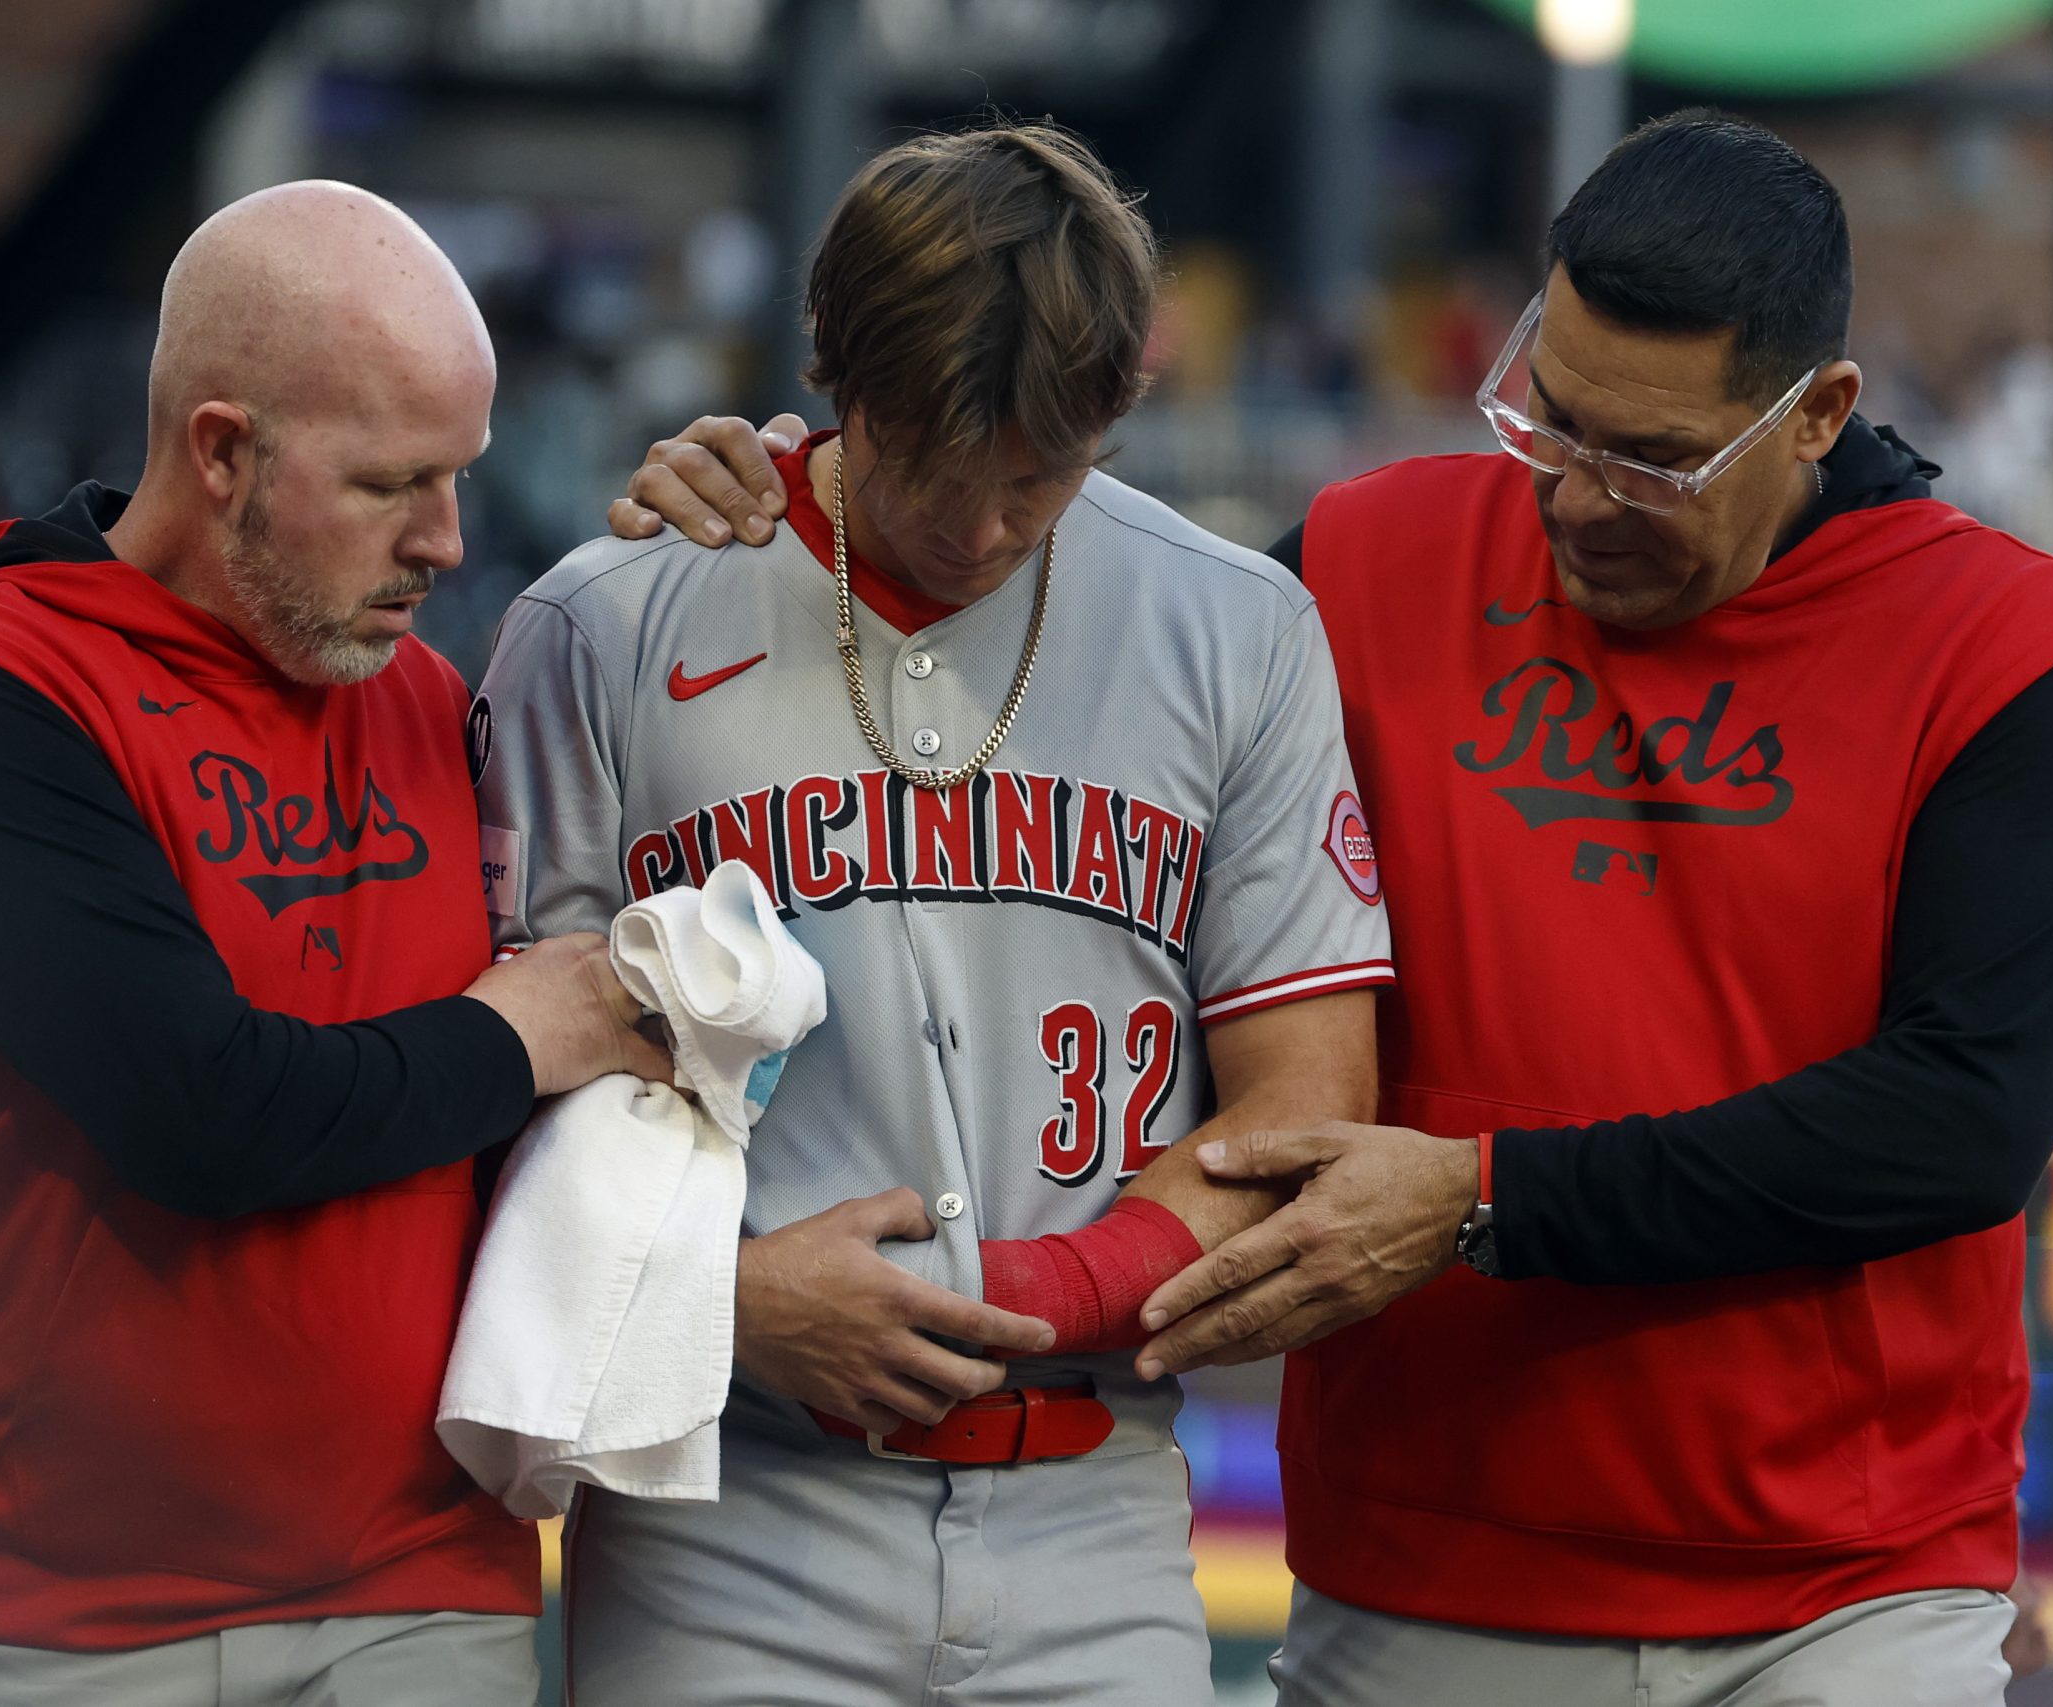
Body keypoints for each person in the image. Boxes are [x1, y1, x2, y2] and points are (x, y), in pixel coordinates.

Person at [614, 112, 2053, 1706]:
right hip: (1417, 1575)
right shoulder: (1356, 555)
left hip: (1844, 1594)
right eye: (1554, 420)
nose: (1579, 498)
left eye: (1656, 461)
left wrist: (1489, 1195)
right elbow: (996, 668)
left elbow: (1963, 1124)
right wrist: (797, 499)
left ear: (1819, 414)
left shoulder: (2003, 648)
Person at [474, 124, 1392, 1707]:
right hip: (727, 1509)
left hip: (1100, 1510)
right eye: (928, 464)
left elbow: (1308, 1114)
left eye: (1037, 478)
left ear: (1116, 408)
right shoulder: (603, 621)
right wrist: (725, 1306)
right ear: (834, 379)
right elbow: (501, 1092)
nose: (978, 529)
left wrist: (1042, 1298)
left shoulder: (1239, 625)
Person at [0, 181, 668, 1704]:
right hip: (31, 1636)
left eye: (461, 474)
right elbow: (196, 1112)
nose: (448, 538)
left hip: (424, 1597)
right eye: (391, 482)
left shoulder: (423, 697)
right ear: (220, 452)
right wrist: (516, 1032)